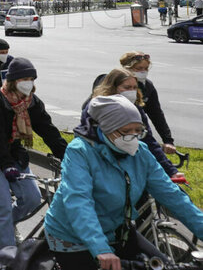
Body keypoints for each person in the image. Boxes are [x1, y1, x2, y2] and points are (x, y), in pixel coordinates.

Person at [44, 95, 203, 270]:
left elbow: (173, 196)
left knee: (163, 265)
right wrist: (101, 249)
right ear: (106, 128)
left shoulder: (141, 152)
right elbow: (79, 202)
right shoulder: (80, 151)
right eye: (126, 132)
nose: (134, 137)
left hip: (119, 230)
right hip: (73, 238)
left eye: (138, 131)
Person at [0, 57, 68, 252]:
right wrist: (6, 165)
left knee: (32, 198)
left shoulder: (31, 102)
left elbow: (48, 131)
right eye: (24, 78)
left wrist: (69, 156)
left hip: (12, 153)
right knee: (2, 205)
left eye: (31, 78)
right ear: (13, 81)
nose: (28, 82)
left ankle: (2, 226)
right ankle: (6, 258)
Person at [85, 68, 180, 178]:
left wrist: (171, 170)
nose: (131, 91)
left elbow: (149, 140)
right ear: (113, 87)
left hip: (130, 161)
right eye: (127, 87)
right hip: (100, 162)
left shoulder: (136, 109)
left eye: (134, 88)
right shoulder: (96, 108)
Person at [119, 52, 176, 155]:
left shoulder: (148, 86)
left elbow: (156, 114)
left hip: (134, 134)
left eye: (146, 68)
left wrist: (168, 140)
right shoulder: (111, 82)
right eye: (139, 68)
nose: (143, 72)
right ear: (127, 68)